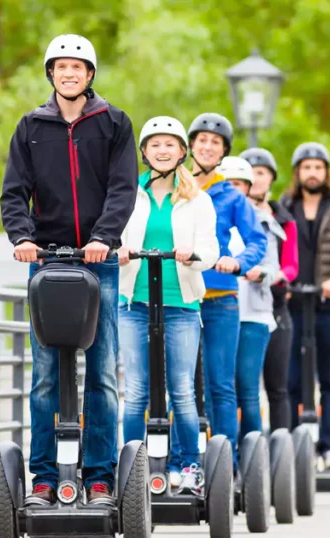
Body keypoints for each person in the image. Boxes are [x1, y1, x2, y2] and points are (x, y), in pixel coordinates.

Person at [0, 34, 138, 505]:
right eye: (61, 68)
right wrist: (22, 238)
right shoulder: (31, 126)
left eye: (77, 68)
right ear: (51, 74)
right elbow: (14, 190)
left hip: (98, 264)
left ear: (90, 75)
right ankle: (42, 477)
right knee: (44, 375)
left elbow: (123, 188)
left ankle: (99, 476)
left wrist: (104, 238)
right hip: (47, 264)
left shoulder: (113, 123)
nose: (69, 74)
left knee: (100, 372)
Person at [117, 116, 220, 493]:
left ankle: (187, 466)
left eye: (170, 144)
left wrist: (193, 255)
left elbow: (211, 252)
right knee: (137, 391)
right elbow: (110, 237)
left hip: (181, 304)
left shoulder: (198, 199)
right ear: (144, 152)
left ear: (181, 152)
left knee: (181, 390)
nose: (162, 151)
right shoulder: (128, 193)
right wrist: (119, 252)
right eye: (155, 144)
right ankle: (133, 469)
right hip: (133, 302)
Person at [181, 112, 268, 471]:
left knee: (220, 385)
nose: (207, 146)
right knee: (181, 386)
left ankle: (224, 466)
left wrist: (238, 262)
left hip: (220, 301)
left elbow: (257, 240)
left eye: (215, 142)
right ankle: (180, 463)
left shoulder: (232, 196)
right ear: (191, 146)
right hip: (181, 297)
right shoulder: (174, 188)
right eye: (201, 140)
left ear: (223, 152)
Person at [280, 142, 330, 470]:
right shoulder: (285, 206)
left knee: (329, 380)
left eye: (318, 167)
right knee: (291, 381)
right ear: (297, 172)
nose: (312, 173)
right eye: (306, 167)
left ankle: (329, 447)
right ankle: (294, 445)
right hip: (293, 304)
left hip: (327, 305)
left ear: (326, 172)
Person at [220, 155, 281, 441]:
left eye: (239, 184)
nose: (233, 189)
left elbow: (274, 267)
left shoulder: (261, 222)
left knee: (247, 387)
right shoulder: (210, 220)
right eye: (228, 183)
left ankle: (252, 456)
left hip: (252, 314)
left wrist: (258, 272)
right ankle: (224, 455)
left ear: (247, 188)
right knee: (221, 388)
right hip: (218, 310)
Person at [240, 147, 297, 433]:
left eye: (261, 173)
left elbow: (291, 264)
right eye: (249, 173)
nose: (256, 179)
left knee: (277, 384)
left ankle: (280, 449)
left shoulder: (283, 220)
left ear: (270, 179)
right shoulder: (234, 214)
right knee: (243, 384)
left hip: (274, 304)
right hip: (241, 305)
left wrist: (271, 276)